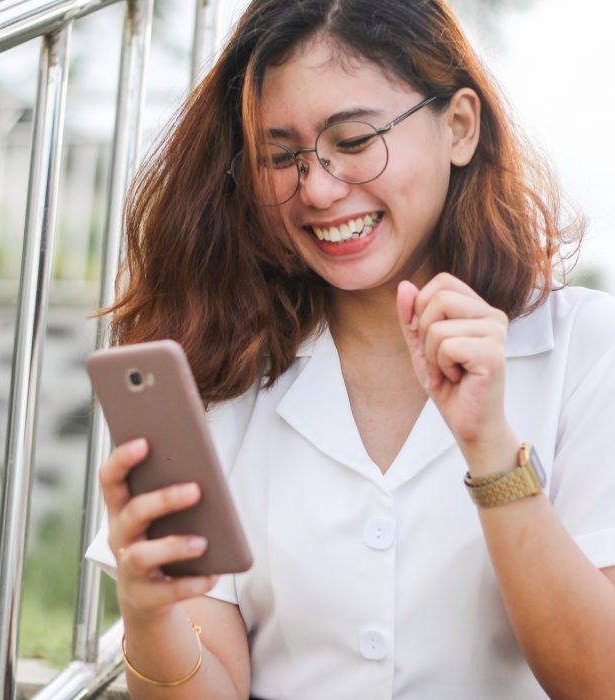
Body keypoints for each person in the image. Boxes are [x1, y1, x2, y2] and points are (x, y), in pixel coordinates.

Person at [86, 1, 615, 698]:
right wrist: (147, 616)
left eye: (355, 139)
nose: (318, 188)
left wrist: (491, 452)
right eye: (282, 157)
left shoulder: (584, 348)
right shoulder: (213, 363)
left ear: (458, 126)